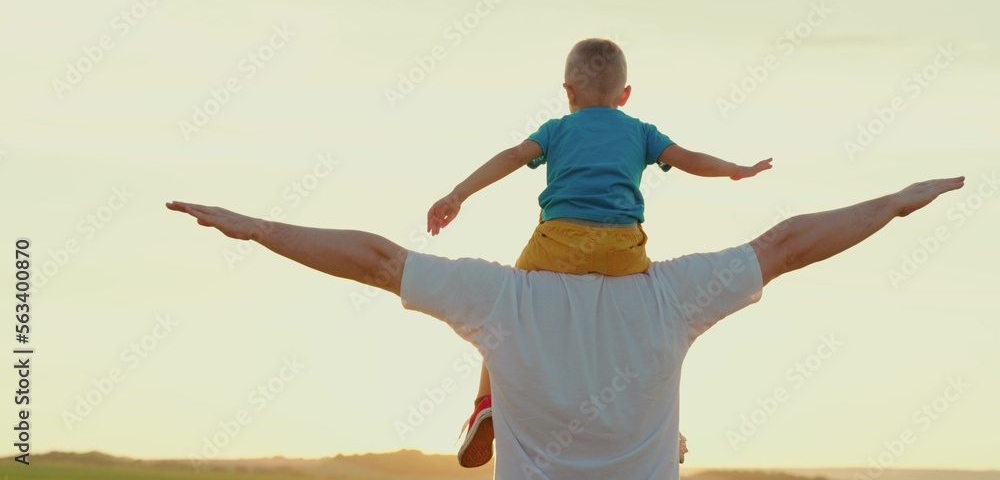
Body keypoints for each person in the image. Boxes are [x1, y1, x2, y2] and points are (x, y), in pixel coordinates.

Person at [166, 176, 964, 480]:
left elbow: (376, 258)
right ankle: (504, 412)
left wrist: (259, 227)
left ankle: (488, 408)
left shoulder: (504, 297)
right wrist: (891, 204)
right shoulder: (672, 294)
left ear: (546, 225)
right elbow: (788, 243)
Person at [426, 38, 771, 467]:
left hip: (558, 245)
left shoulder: (555, 129)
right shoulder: (641, 131)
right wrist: (734, 170)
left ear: (568, 91)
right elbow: (688, 158)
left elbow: (513, 157)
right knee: (646, 321)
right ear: (625, 95)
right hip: (621, 250)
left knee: (505, 307)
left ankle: (485, 402)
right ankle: (663, 420)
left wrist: (458, 194)